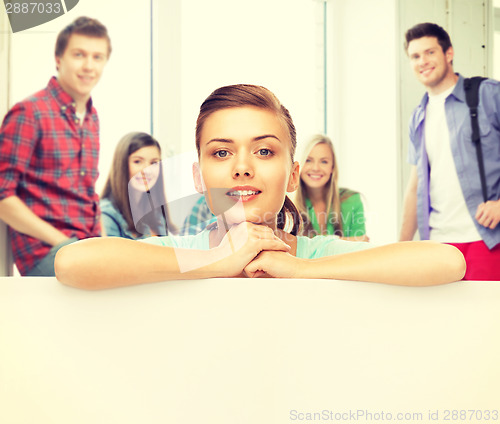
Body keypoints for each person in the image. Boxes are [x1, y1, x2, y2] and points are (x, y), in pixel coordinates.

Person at [55, 84, 465, 290]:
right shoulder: (183, 254)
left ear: (292, 175)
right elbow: (72, 264)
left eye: (265, 152)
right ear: (198, 178)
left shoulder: (317, 254)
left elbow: (447, 262)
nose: (242, 168)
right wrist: (218, 263)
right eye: (221, 154)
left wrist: (302, 269)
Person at [0, 16, 111, 276]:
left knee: (144, 269)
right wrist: (62, 242)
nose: (88, 66)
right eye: (79, 54)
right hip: (47, 251)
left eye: (97, 57)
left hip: (87, 246)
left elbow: (88, 195)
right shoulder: (29, 113)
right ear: (59, 58)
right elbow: (3, 196)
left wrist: (107, 244)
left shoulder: (92, 117)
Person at [400, 22, 500, 280]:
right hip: (438, 245)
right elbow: (414, 187)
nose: (423, 61)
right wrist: (401, 247)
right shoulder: (418, 116)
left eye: (430, 52)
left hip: (486, 239)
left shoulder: (488, 95)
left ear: (449, 53)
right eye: (415, 56)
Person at [100, 132, 176, 239]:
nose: (147, 170)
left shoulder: (156, 213)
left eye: (154, 163)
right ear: (121, 164)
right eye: (137, 161)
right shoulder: (106, 215)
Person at [295, 134, 368, 241]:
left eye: (324, 161)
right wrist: (346, 241)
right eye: (308, 160)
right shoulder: (286, 203)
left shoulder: (351, 200)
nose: (315, 168)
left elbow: (361, 246)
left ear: (332, 167)